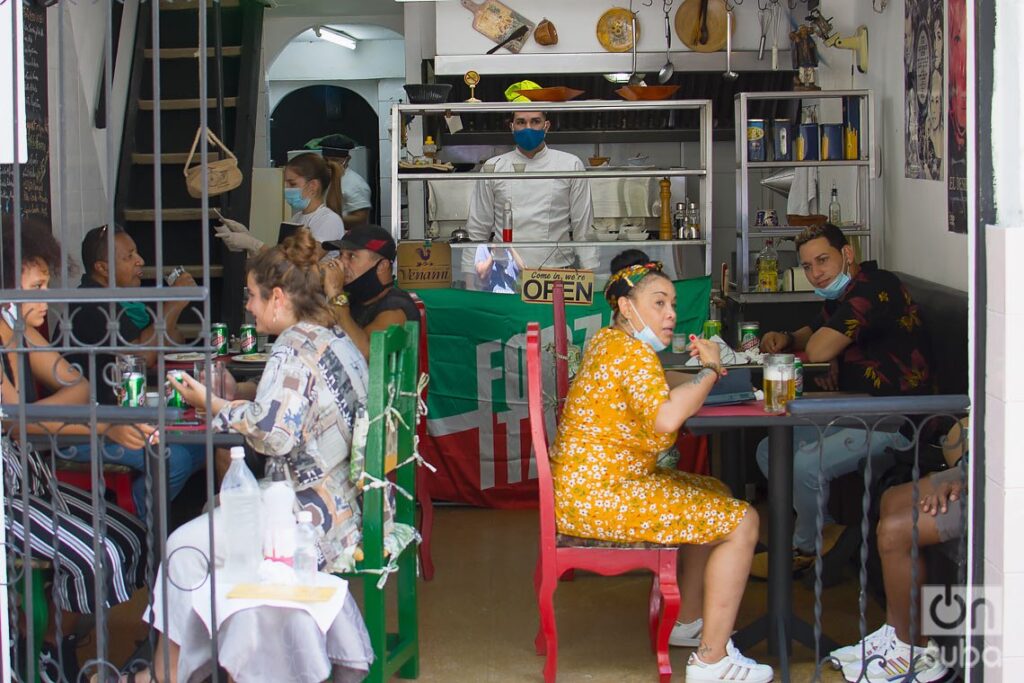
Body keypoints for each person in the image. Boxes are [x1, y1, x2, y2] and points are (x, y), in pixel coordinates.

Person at [142, 229, 372, 683]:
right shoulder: (327, 337)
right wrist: (232, 398)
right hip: (345, 503)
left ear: (278, 297)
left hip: (310, 516)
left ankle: (166, 675)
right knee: (208, 532)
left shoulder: (290, 348)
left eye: (251, 296)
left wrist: (213, 406)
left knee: (183, 548)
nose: (247, 305)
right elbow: (295, 410)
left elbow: (275, 436)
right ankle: (211, 664)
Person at [550, 250, 773, 682]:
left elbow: (655, 385)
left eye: (672, 304)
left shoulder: (608, 342)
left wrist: (699, 378)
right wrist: (709, 370)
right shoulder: (629, 354)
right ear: (625, 306)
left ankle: (688, 622)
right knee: (743, 520)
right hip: (604, 497)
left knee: (714, 492)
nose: (671, 314)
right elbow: (668, 416)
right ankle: (711, 662)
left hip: (588, 488)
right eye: (659, 303)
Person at [755, 223, 934, 575]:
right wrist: (788, 336)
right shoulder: (847, 291)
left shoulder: (874, 288)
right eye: (807, 266)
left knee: (806, 465)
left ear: (847, 254)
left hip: (899, 419)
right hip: (857, 409)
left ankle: (806, 547)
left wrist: (828, 349)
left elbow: (820, 346)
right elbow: (814, 332)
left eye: (822, 261)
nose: (815, 274)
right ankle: (828, 532)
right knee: (768, 449)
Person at [1, 215, 147, 618]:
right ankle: (58, 648)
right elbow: (15, 420)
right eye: (36, 288)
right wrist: (101, 425)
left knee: (132, 535)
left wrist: (24, 415)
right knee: (99, 553)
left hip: (29, 475)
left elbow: (77, 384)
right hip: (6, 493)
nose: (46, 297)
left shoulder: (20, 331)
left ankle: (78, 642)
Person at [64, 224, 205, 519]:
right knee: (173, 459)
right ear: (102, 268)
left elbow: (167, 345)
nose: (140, 260)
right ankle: (137, 525)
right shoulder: (89, 304)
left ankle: (153, 516)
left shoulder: (118, 302)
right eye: (129, 256)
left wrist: (170, 312)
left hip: (123, 417)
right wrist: (175, 303)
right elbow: (140, 358)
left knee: (203, 445)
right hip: (82, 430)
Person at [830, 418, 967, 683]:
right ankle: (895, 634)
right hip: (981, 467)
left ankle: (914, 651)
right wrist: (965, 468)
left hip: (1001, 485)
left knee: (896, 531)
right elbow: (967, 425)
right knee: (892, 499)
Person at [464, 110, 596, 271]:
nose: (528, 128)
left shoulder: (570, 165)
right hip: (504, 270)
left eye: (535, 121)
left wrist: (590, 270)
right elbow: (478, 228)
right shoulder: (494, 167)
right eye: (521, 122)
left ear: (546, 126)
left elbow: (583, 228)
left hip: (555, 271)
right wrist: (469, 273)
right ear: (512, 127)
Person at [214, 152, 345, 255]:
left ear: (313, 186)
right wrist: (247, 239)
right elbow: (280, 258)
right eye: (285, 183)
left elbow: (301, 263)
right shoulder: (297, 218)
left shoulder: (329, 220)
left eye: (292, 184)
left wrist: (255, 244)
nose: (286, 189)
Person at [322, 225, 421, 360]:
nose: (341, 263)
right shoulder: (352, 299)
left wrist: (336, 293)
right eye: (341, 255)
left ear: (382, 266)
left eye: (351, 256)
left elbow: (365, 353)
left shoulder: (396, 308)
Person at [322, 142, 373, 228]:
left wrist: (330, 221)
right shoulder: (322, 178)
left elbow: (360, 219)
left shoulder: (355, 184)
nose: (330, 164)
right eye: (326, 160)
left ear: (347, 159)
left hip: (346, 237)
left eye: (335, 160)